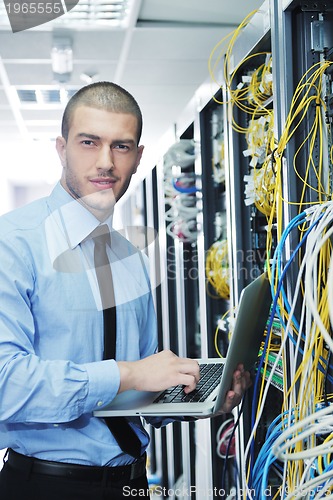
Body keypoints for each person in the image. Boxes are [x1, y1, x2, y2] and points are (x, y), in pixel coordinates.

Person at [0, 81, 250, 499]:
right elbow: (7, 385)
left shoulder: (131, 259)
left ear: (137, 158)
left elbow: (139, 396)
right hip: (45, 485)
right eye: (89, 142)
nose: (105, 162)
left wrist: (199, 398)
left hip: (130, 484)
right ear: (62, 149)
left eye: (121, 146)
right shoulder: (13, 243)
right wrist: (130, 372)